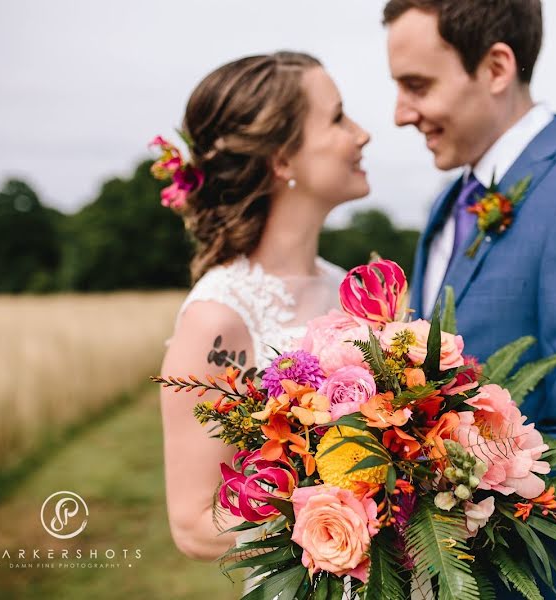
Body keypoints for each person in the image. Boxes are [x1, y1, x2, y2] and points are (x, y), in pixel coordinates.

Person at [383, 1, 556, 598]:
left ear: (497, 67)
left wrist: (405, 483)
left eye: (417, 85)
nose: (401, 113)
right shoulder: (447, 202)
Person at [158, 51, 370, 564]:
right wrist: (351, 513)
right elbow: (192, 524)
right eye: (338, 117)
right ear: (281, 160)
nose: (361, 133)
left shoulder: (349, 288)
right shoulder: (219, 317)